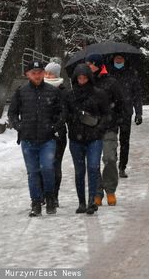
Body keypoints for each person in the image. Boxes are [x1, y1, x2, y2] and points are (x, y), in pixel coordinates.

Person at [8, 60, 64, 217]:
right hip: (28, 140)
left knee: (47, 168)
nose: (37, 75)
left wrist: (54, 127)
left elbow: (62, 113)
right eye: (34, 72)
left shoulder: (53, 91)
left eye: (40, 72)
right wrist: (20, 126)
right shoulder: (21, 92)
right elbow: (12, 113)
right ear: (27, 74)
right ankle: (36, 202)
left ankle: (50, 198)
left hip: (47, 140)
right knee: (32, 172)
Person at [63, 63, 110, 215]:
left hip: (94, 137)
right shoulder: (69, 96)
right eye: (79, 78)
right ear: (75, 79)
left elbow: (106, 114)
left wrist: (99, 128)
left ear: (89, 78)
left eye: (84, 77)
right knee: (79, 171)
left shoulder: (99, 94)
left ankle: (92, 200)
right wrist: (74, 118)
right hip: (76, 138)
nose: (82, 80)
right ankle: (81, 202)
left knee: (93, 167)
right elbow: (64, 115)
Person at [85, 53, 126, 207]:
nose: (88, 66)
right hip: (90, 128)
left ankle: (110, 190)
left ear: (97, 64)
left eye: (90, 64)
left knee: (109, 159)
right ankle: (97, 192)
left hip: (109, 127)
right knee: (93, 163)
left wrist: (115, 119)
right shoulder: (84, 81)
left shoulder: (111, 82)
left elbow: (121, 104)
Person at [108, 53, 143, 178]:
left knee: (125, 141)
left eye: (121, 58)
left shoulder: (131, 74)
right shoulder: (107, 73)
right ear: (113, 59)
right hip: (110, 113)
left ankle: (122, 166)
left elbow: (137, 95)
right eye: (117, 58)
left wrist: (139, 112)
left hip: (125, 112)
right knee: (111, 140)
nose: (118, 60)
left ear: (124, 59)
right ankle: (113, 161)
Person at [43, 61, 66, 206]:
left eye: (50, 73)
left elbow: (64, 112)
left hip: (58, 133)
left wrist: (56, 126)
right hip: (42, 133)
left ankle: (54, 195)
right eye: (46, 72)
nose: (47, 75)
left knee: (55, 165)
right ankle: (44, 194)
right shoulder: (39, 89)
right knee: (43, 166)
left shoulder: (63, 91)